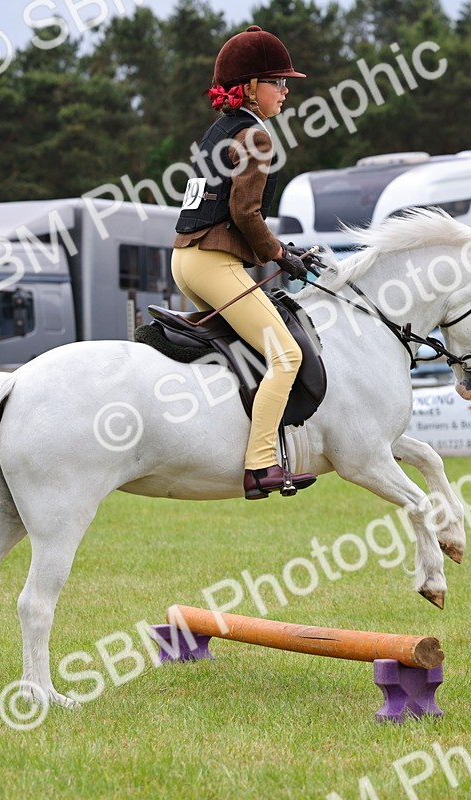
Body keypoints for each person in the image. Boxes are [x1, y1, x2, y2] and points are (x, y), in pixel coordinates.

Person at [171, 25, 318, 500]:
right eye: (278, 82)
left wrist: (280, 252)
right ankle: (259, 464)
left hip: (186, 260)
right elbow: (244, 212)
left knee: (251, 352)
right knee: (287, 354)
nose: (286, 91)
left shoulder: (219, 130)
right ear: (251, 86)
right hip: (214, 265)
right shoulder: (256, 136)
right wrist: (280, 254)